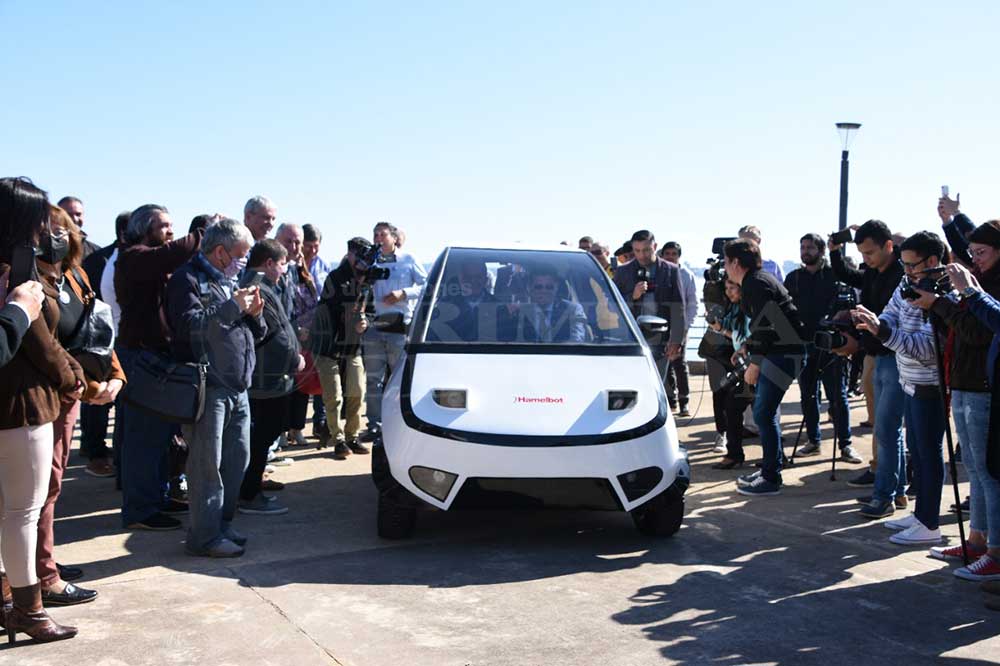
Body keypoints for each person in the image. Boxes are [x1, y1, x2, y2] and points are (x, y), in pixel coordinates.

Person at [0, 177, 82, 643]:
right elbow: (37, 340)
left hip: (17, 402)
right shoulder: (16, 278)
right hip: (21, 405)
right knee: (22, 513)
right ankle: (27, 611)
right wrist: (75, 379)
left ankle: (9, 603)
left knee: (9, 513)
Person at [35, 206, 127, 606]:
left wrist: (116, 376)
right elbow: (46, 346)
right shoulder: (25, 278)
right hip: (47, 394)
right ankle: (40, 575)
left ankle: (44, 561)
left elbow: (98, 329)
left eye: (62, 230)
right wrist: (89, 388)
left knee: (52, 485)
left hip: (72, 395)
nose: (56, 237)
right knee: (37, 489)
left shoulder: (76, 274)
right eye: (48, 230)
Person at [167, 219, 266, 555]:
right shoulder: (187, 279)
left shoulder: (229, 281)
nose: (245, 260)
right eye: (241, 254)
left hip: (237, 386)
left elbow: (253, 331)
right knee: (207, 465)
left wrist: (254, 314)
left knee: (238, 459)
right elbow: (189, 328)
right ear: (221, 252)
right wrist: (233, 306)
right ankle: (204, 536)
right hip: (208, 387)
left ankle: (221, 525)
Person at [852, 231, 947, 544]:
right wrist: (877, 324)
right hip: (908, 380)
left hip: (930, 386)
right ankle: (921, 515)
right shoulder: (907, 284)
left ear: (932, 261)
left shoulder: (945, 293)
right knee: (917, 453)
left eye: (911, 265)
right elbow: (891, 315)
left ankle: (929, 523)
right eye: (904, 265)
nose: (906, 272)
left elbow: (928, 347)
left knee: (929, 454)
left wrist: (883, 333)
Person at [115, 204, 203, 531]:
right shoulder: (133, 256)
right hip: (139, 357)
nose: (170, 232)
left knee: (161, 437)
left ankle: (155, 497)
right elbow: (169, 254)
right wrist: (205, 233)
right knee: (143, 438)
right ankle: (140, 510)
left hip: (155, 357)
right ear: (144, 228)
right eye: (163, 226)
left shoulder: (146, 259)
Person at [934, 233, 1000, 580]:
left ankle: (995, 551)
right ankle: (977, 539)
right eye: (971, 252)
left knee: (988, 472)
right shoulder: (980, 281)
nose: (975, 259)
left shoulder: (989, 285)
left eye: (981, 252)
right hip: (963, 380)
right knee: (973, 467)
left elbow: (979, 332)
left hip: (982, 385)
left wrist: (945, 303)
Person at [724, 238, 805, 496]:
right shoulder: (757, 280)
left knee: (763, 413)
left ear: (736, 262)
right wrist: (747, 346)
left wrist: (755, 363)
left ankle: (771, 477)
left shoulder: (755, 284)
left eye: (726, 262)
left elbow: (767, 326)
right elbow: (768, 323)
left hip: (782, 354)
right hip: (782, 351)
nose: (724, 267)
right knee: (763, 413)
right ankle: (770, 469)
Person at [829, 220, 906, 492]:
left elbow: (890, 322)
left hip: (896, 356)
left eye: (870, 253)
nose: (866, 259)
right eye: (862, 253)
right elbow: (848, 275)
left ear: (888, 246)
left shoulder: (902, 273)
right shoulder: (873, 271)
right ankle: (886, 478)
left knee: (889, 428)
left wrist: (860, 338)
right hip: (875, 354)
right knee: (881, 423)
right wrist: (835, 250)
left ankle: (888, 486)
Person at [784, 233, 861, 463]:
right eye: (802, 247)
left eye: (810, 247)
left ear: (821, 251)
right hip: (804, 344)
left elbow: (853, 302)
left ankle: (846, 444)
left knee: (837, 396)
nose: (805, 251)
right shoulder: (793, 278)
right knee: (808, 395)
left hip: (831, 344)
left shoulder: (835, 275)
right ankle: (813, 441)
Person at [362, 221, 427, 441]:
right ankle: (374, 425)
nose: (378, 238)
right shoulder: (369, 262)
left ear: (393, 237)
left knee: (398, 378)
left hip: (399, 326)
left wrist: (404, 293)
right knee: (373, 379)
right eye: (375, 234)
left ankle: (400, 423)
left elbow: (426, 286)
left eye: (383, 234)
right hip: (373, 325)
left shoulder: (408, 260)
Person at [78, 211, 129, 478]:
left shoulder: (98, 254)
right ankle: (94, 450)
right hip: (100, 338)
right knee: (97, 400)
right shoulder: (99, 260)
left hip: (114, 339)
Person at [311, 237, 372, 458]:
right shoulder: (335, 278)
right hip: (328, 345)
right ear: (349, 254)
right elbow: (329, 308)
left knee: (357, 392)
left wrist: (366, 321)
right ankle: (337, 439)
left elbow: (370, 309)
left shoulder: (368, 280)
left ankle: (352, 436)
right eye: (359, 255)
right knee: (333, 396)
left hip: (352, 345)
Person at [614, 230, 688, 383]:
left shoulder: (671, 270)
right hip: (632, 337)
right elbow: (613, 304)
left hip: (661, 338)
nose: (642, 255)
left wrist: (676, 340)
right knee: (632, 383)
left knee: (657, 383)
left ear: (655, 246)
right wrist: (632, 296)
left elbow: (678, 307)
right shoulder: (622, 271)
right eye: (637, 251)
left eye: (646, 250)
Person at [274, 223, 319, 449]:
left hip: (304, 338)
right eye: (289, 242)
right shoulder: (275, 269)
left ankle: (297, 428)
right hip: (282, 338)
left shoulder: (299, 272)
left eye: (297, 243)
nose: (294, 247)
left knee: (301, 388)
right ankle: (280, 432)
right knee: (283, 389)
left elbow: (311, 301)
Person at [708, 279, 754, 469]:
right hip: (745, 364)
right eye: (726, 289)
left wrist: (725, 332)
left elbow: (751, 335)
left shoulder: (750, 309)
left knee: (763, 414)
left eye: (732, 288)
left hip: (758, 364)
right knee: (733, 406)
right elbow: (737, 335)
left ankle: (775, 458)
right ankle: (734, 454)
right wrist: (719, 327)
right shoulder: (734, 309)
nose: (728, 293)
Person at [660, 241, 698, 416]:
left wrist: (684, 328)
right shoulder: (659, 273)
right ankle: (670, 400)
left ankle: (684, 401)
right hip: (661, 326)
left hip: (680, 326)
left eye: (673, 254)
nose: (670, 257)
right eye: (667, 253)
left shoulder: (686, 275)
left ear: (679, 256)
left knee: (679, 364)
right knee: (663, 363)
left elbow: (693, 304)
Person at [500, 267, 587, 343]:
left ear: (556, 287)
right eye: (538, 287)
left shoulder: (573, 310)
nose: (544, 291)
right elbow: (507, 341)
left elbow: (576, 341)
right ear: (529, 288)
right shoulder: (518, 312)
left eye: (549, 287)